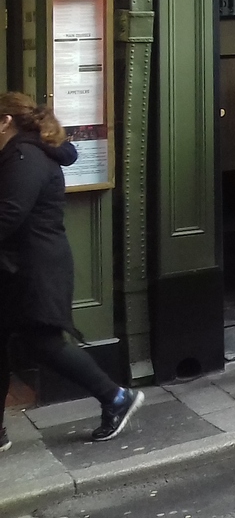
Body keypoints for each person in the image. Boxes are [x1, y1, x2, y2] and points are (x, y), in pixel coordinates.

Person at [0, 93, 143, 448]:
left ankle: (115, 396)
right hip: (19, 266)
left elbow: (9, 213)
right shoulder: (20, 154)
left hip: (33, 268)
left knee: (45, 343)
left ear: (5, 121)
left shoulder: (24, 156)